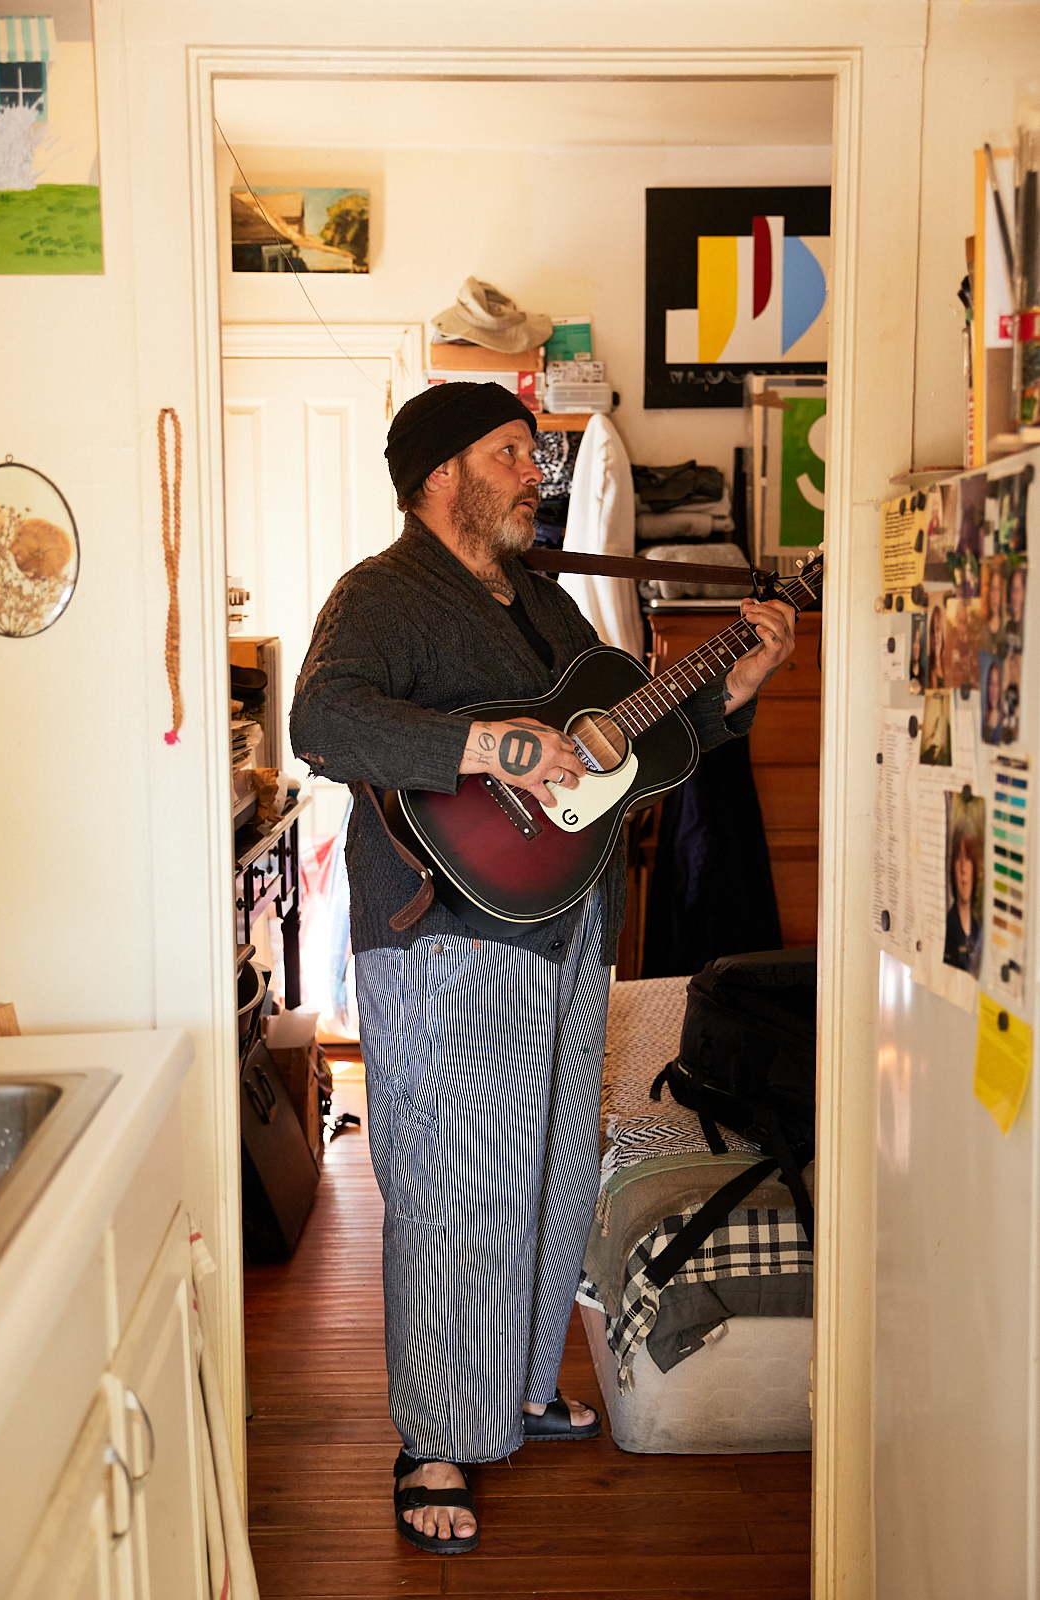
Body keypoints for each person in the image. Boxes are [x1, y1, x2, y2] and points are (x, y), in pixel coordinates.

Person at [290, 382, 795, 1555]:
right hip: (444, 933)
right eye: (512, 453)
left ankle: (509, 1387)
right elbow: (324, 716)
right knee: (456, 1187)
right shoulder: (381, 594)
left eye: (535, 455)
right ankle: (431, 1435)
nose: (536, 476)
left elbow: (632, 740)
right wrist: (484, 740)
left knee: (555, 1170)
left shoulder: (546, 607)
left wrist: (729, 692)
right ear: (438, 476)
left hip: (566, 922)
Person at [943, 821, 982, 976]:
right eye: (959, 858)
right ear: (952, 867)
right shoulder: (947, 928)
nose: (964, 868)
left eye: (969, 859)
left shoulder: (979, 933)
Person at [928, 603, 946, 689]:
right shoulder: (929, 665)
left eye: (938, 629)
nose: (935, 635)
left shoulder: (949, 658)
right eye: (932, 630)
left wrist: (939, 655)